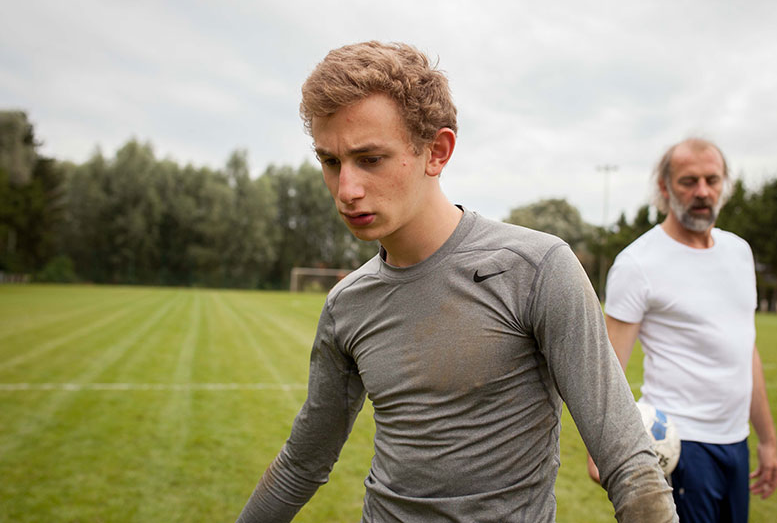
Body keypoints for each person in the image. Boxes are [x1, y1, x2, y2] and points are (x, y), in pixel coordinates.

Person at [236, 41, 677, 522]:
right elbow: (302, 461)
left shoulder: (536, 268)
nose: (347, 190)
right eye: (331, 162)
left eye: (371, 159)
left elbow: (630, 464)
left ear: (437, 152)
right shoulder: (347, 303)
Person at [586, 138, 777, 522]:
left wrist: (768, 440)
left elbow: (747, 351)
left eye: (712, 180)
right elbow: (606, 368)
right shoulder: (638, 263)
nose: (702, 192)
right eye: (688, 181)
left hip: (735, 443)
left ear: (725, 184)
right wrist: (601, 450)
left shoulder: (739, 253)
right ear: (664, 188)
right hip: (681, 447)